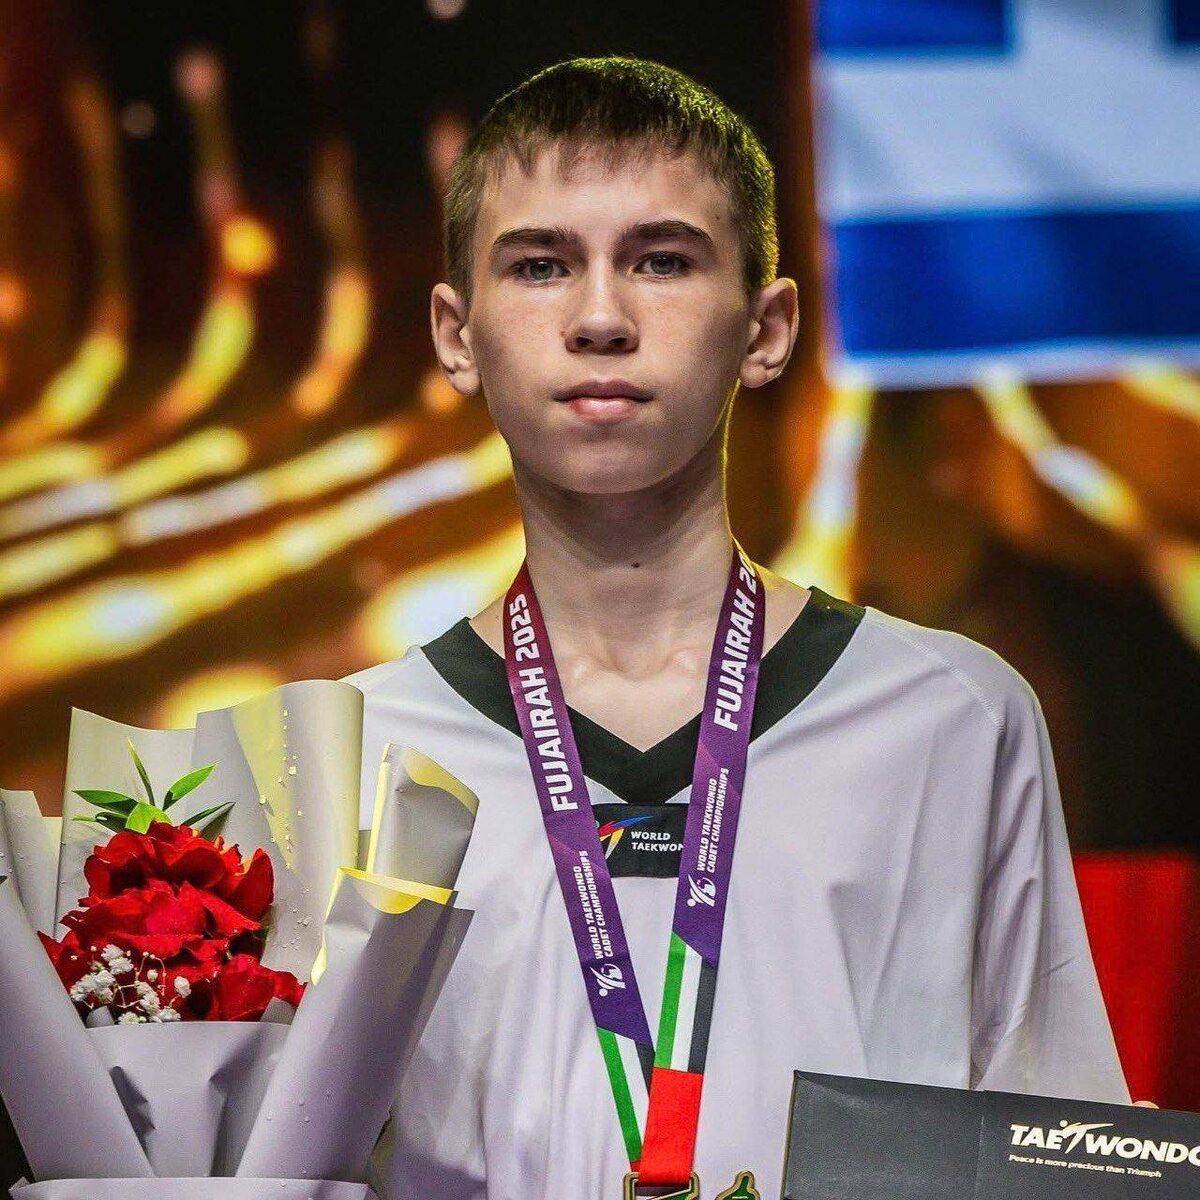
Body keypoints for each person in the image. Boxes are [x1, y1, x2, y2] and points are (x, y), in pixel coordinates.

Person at [345, 55, 1128, 1200]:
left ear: (767, 329)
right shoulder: (347, 754)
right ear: (457, 335)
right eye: (541, 265)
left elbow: (1060, 1163)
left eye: (662, 260)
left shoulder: (952, 718)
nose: (600, 318)